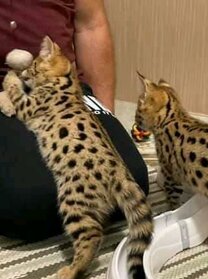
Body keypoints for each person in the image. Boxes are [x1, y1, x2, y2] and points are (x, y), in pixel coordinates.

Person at [0, 0, 149, 241]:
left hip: (62, 86)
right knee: (28, 203)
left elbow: (91, 26)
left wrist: (104, 114)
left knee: (132, 183)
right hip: (5, 91)